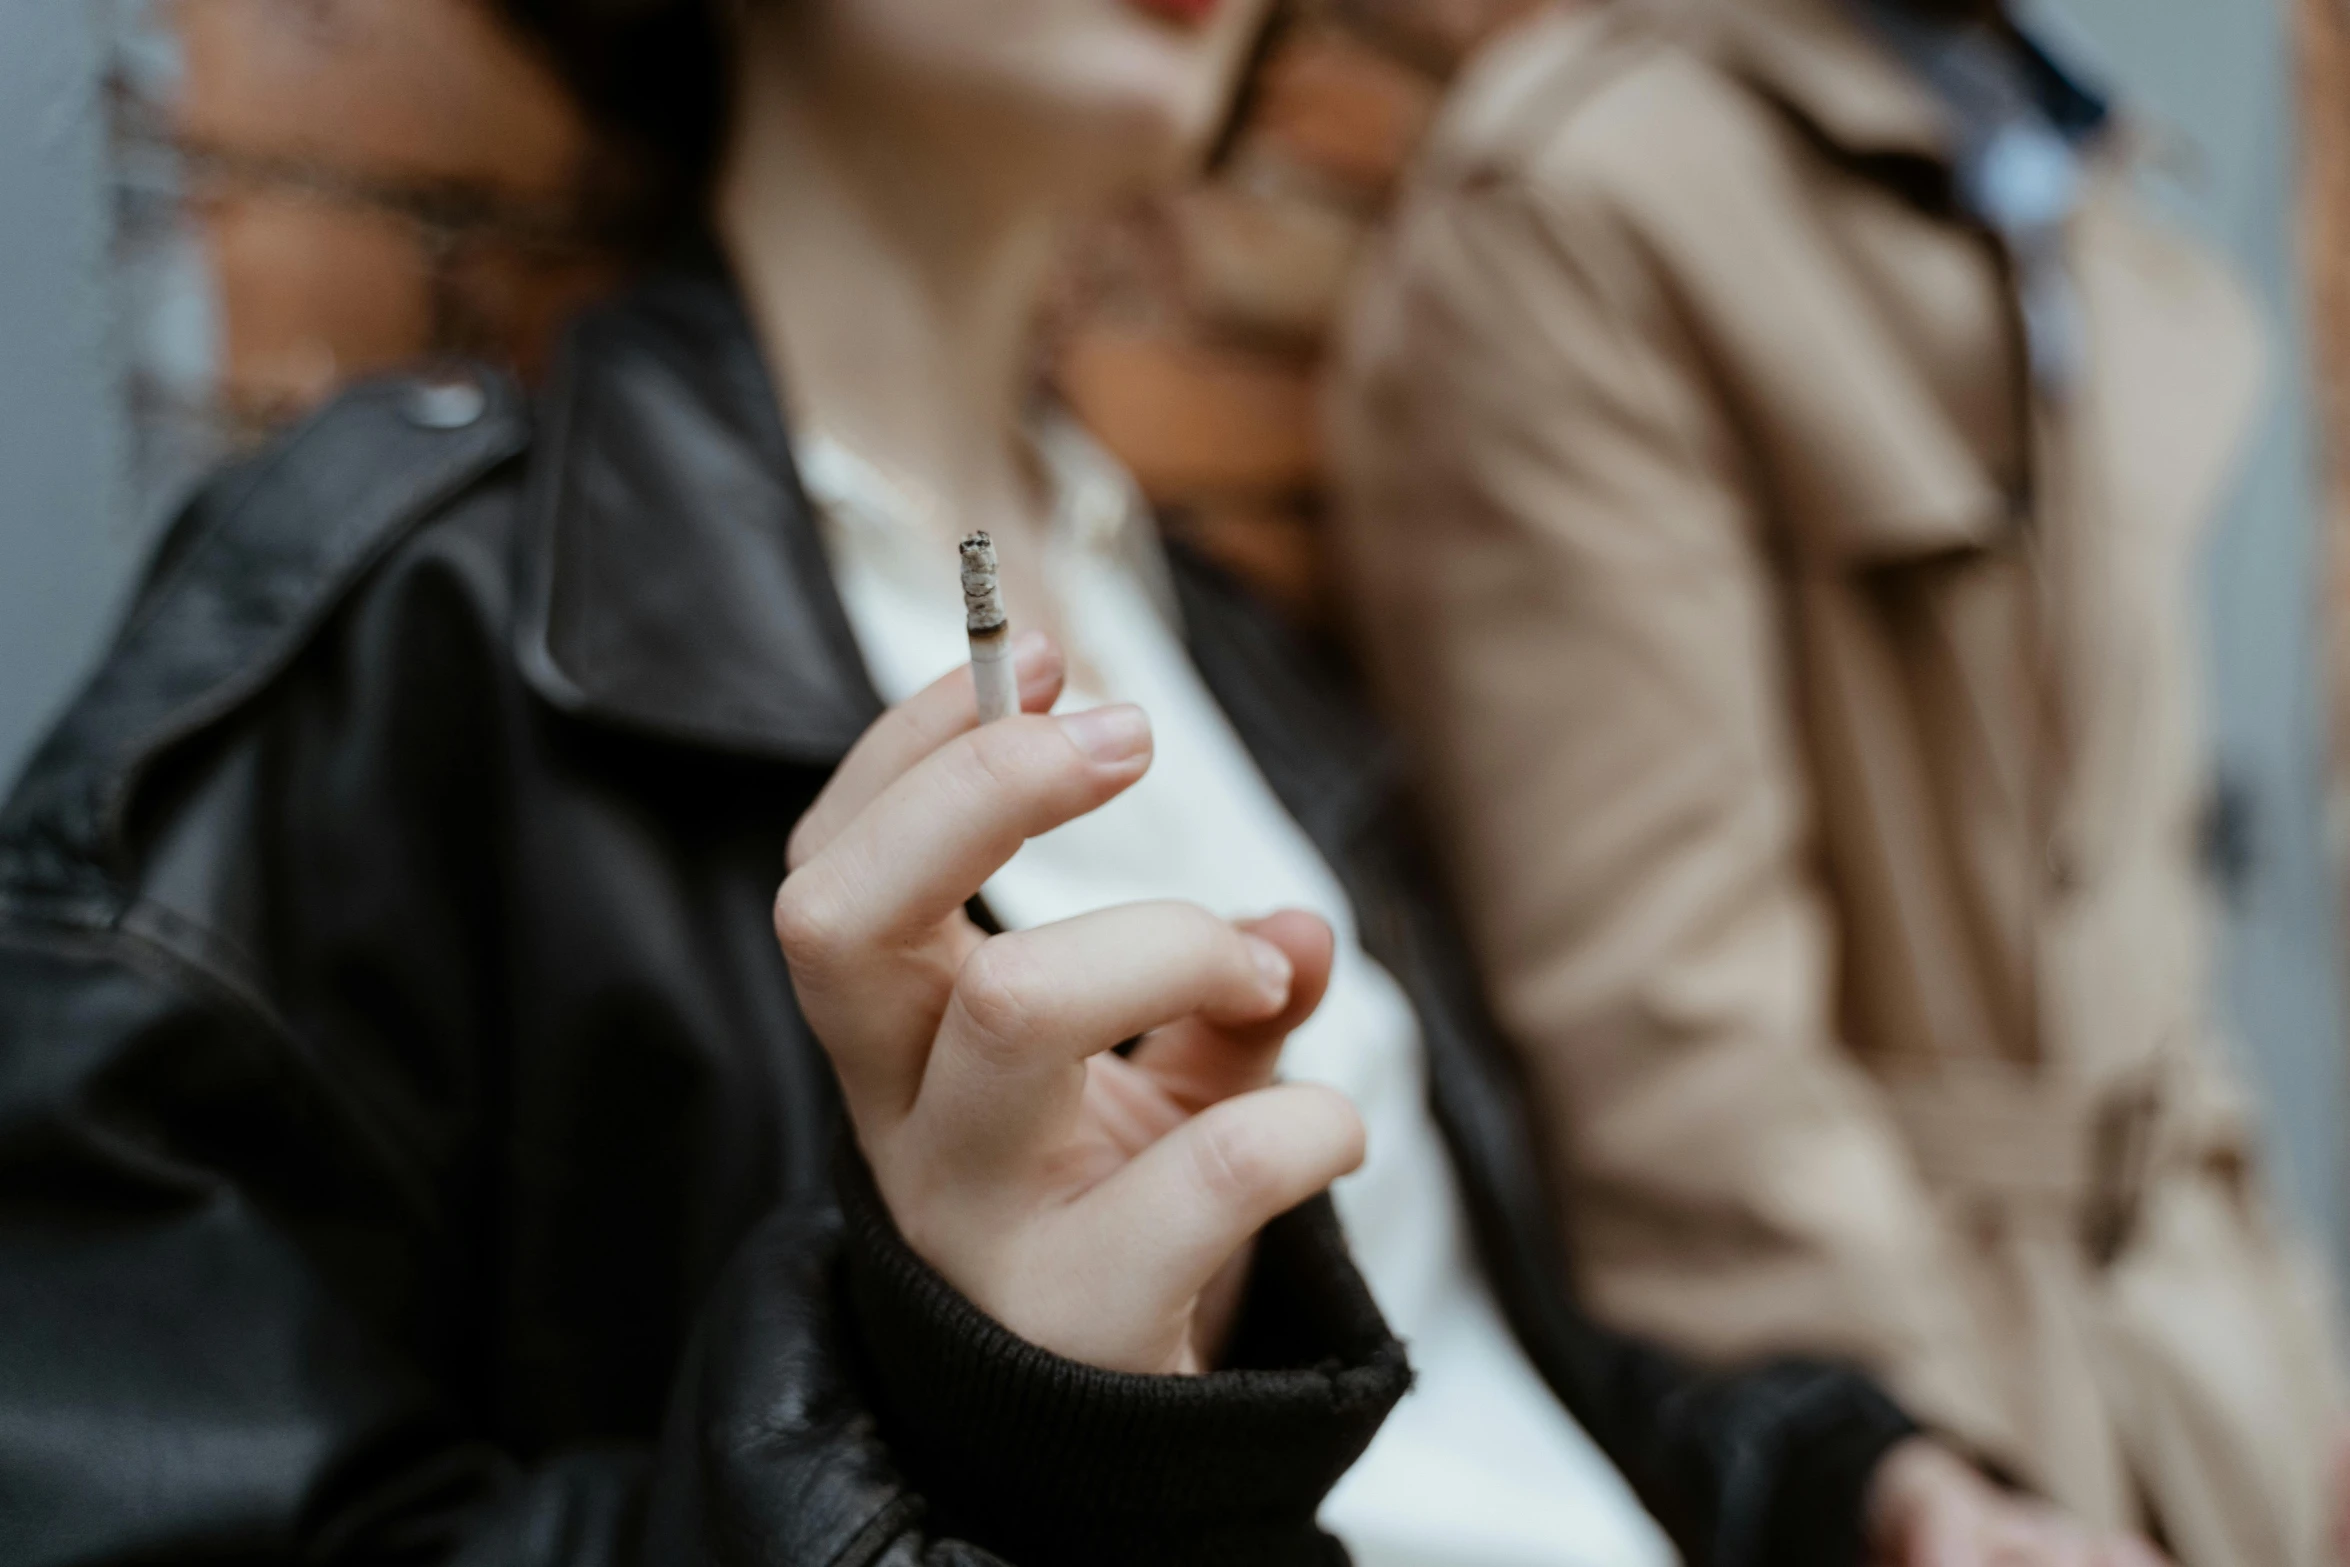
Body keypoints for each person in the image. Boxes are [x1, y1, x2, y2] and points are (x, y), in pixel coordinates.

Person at [0, 0, 2155, 1563]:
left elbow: (1472, 1342)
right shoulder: (421, 617)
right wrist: (949, 1437)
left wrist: (1847, 1483)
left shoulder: (1239, 664)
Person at [1329, 0, 2346, 1563]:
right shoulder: (1586, 203)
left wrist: (2291, 1376)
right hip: (1949, 1415)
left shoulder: (2071, 181)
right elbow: (1665, 1027)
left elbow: (2145, 960)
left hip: (2213, 1393)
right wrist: (1928, 1470)